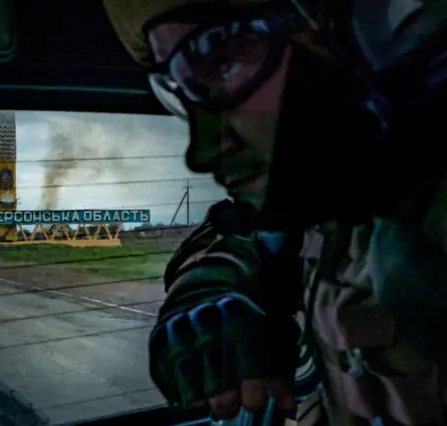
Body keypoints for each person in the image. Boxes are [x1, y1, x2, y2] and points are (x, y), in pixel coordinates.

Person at [101, 1, 447, 425]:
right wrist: (210, 291)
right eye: (178, 93)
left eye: (224, 59)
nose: (202, 151)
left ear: (372, 29)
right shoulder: (333, 203)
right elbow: (242, 234)